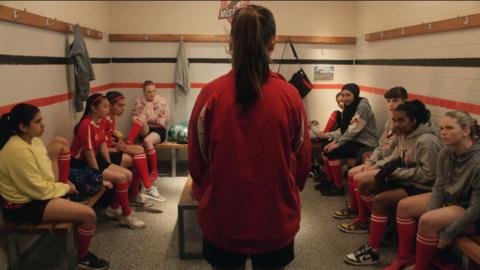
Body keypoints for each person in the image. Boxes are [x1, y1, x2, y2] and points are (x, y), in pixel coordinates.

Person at [188, 5, 311, 270]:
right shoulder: (290, 96)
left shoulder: (211, 94)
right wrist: (288, 189)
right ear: (272, 41)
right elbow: (302, 161)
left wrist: (205, 188)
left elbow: (197, 160)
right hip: (275, 216)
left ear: (231, 42)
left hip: (223, 215)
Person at [0, 104, 109, 269]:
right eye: (38, 122)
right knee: (88, 215)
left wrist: (60, 186)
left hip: (37, 195)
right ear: (23, 127)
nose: (43, 125)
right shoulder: (17, 151)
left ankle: (66, 196)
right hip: (23, 205)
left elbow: (44, 175)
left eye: (42, 120)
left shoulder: (33, 140)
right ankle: (82, 257)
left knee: (60, 143)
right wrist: (65, 188)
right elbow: (37, 190)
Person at [344, 100, 443, 266]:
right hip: (407, 178)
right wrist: (381, 167)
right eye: (395, 120)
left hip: (422, 186)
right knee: (366, 183)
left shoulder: (427, 140)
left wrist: (396, 173)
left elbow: (429, 176)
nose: (396, 124)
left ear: (413, 120)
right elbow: (399, 157)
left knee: (380, 200)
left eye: (401, 120)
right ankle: (380, 228)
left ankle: (379, 249)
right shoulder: (403, 135)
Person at [385, 111, 480, 270]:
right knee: (404, 206)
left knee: (428, 221)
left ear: (466, 131)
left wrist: (448, 233)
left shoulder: (477, 161)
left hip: (470, 210)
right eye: (442, 128)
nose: (443, 132)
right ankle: (405, 257)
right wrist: (432, 211)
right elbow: (439, 185)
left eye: (449, 128)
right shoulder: (446, 152)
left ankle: (421, 266)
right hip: (452, 200)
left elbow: (476, 207)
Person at [71, 93, 145, 229]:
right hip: (81, 165)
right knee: (122, 178)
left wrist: (109, 163)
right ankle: (126, 216)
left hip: (96, 159)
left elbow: (103, 146)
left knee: (129, 175)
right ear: (94, 108)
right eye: (105, 107)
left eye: (108, 106)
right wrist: (97, 177)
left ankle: (113, 208)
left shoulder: (101, 122)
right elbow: (88, 154)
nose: (107, 109)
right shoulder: (86, 125)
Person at [332, 87, 408, 221]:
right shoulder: (390, 121)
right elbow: (381, 145)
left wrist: (376, 165)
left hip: (391, 165)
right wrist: (370, 162)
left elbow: (397, 154)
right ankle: (355, 210)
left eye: (395, 100)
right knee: (351, 173)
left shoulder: (405, 124)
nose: (391, 104)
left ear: (405, 101)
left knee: (358, 178)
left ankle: (366, 219)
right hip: (381, 160)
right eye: (388, 101)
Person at [317, 83, 379, 196]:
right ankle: (330, 181)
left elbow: (353, 130)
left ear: (355, 95)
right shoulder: (348, 107)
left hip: (366, 143)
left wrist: (338, 143)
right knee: (325, 146)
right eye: (343, 95)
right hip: (354, 140)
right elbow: (344, 129)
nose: (345, 98)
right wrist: (332, 140)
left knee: (333, 151)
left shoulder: (362, 107)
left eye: (348, 95)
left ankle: (338, 187)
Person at [105, 91, 165, 205]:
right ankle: (144, 188)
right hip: (107, 153)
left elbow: (163, 119)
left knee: (139, 152)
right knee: (138, 155)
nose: (123, 108)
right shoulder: (104, 119)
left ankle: (140, 191)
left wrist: (118, 142)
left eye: (124, 105)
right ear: (110, 105)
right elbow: (101, 144)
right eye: (120, 105)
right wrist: (116, 147)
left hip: (156, 130)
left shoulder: (111, 117)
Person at [125, 80, 170, 181]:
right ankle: (129, 141)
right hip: (144, 129)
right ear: (144, 92)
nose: (152, 94)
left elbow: (162, 120)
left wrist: (146, 118)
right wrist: (148, 118)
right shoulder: (139, 101)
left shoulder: (161, 101)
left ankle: (154, 171)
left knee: (147, 141)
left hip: (158, 131)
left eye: (154, 91)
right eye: (149, 92)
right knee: (141, 117)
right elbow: (134, 118)